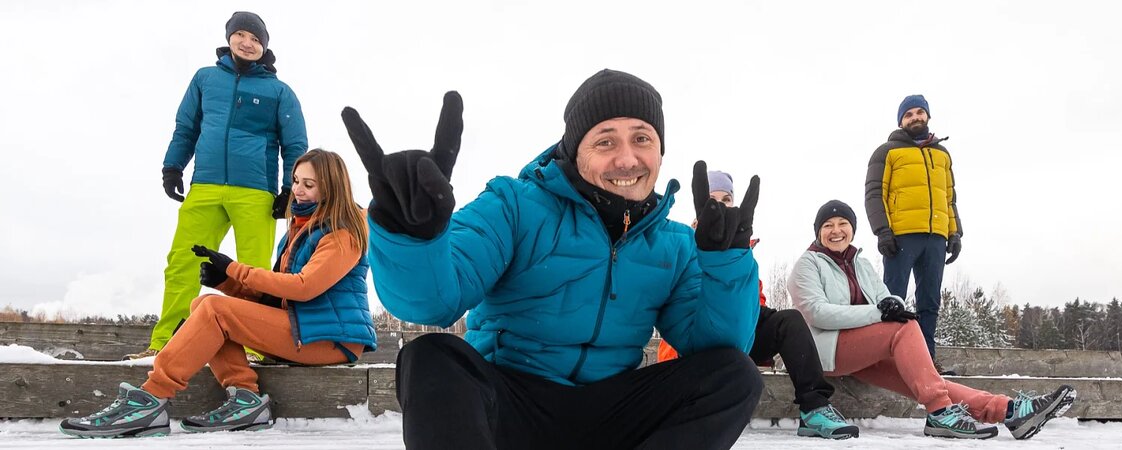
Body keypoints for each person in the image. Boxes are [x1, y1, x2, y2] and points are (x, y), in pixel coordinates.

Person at [346, 70, 763, 449]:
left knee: (734, 374)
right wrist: (412, 236)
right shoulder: (513, 205)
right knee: (430, 357)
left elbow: (716, 348)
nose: (626, 159)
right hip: (515, 406)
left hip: (611, 412)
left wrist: (726, 261)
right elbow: (431, 304)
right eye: (605, 141)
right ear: (574, 149)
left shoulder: (675, 244)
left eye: (642, 139)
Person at [61, 149, 374, 438]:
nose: (298, 190)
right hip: (304, 328)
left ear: (330, 188)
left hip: (331, 340)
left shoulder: (343, 232)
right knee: (204, 303)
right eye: (295, 181)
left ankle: (151, 398)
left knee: (215, 311)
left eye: (309, 184)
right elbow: (277, 299)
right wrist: (227, 282)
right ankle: (246, 399)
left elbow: (304, 288)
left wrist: (235, 269)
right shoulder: (302, 228)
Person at [789, 200, 1075, 440]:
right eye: (828, 226)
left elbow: (887, 299)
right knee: (906, 328)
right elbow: (818, 313)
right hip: (825, 351)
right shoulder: (808, 264)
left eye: (843, 224)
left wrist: (893, 304)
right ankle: (939, 412)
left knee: (929, 381)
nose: (836, 231)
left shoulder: (860, 263)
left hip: (865, 352)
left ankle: (1008, 411)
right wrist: (880, 312)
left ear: (852, 229)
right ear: (818, 232)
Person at [128, 11, 309, 360]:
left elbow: (295, 144)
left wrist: (289, 189)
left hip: (255, 192)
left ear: (264, 47)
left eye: (255, 39)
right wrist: (172, 167)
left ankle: (256, 348)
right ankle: (164, 343)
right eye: (241, 35)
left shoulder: (279, 91)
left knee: (255, 272)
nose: (247, 43)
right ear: (229, 38)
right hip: (205, 186)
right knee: (182, 261)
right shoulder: (205, 79)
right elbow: (186, 127)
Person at [657, 170, 857, 440]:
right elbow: (675, 307)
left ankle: (814, 408)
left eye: (726, 199)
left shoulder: (743, 247)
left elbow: (754, 303)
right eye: (712, 199)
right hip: (699, 342)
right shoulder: (681, 243)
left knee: (789, 320)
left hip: (742, 336)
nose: (720, 206)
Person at [864, 94, 962, 368]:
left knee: (930, 301)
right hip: (901, 236)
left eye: (919, 112)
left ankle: (926, 361)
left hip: (936, 237)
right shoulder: (886, 152)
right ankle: (888, 360)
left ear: (927, 116)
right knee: (893, 299)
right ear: (901, 121)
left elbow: (950, 197)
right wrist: (882, 231)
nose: (915, 117)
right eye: (908, 114)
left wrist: (955, 232)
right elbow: (874, 194)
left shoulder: (942, 155)